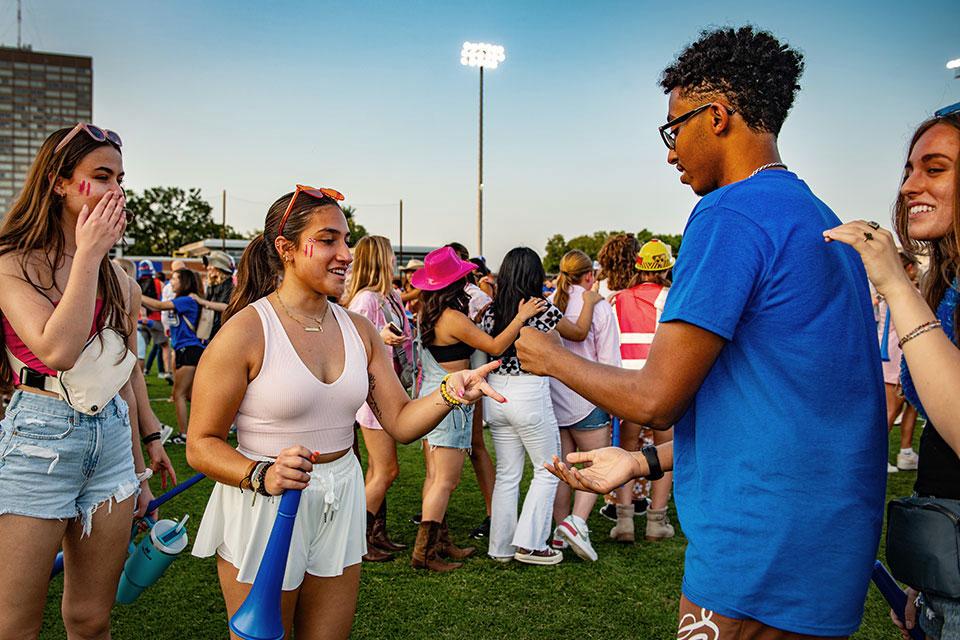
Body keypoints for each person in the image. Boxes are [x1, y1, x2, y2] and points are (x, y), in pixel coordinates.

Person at [518, 27, 885, 637]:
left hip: (754, 546)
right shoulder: (822, 220)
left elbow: (655, 397)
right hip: (826, 543)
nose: (669, 152)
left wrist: (550, 354)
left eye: (673, 129)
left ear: (716, 117)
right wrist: (642, 463)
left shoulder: (728, 214)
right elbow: (786, 406)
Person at [186, 185, 505, 639]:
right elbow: (200, 445)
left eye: (347, 239)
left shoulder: (360, 330)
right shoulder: (246, 332)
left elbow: (400, 421)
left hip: (342, 495)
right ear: (287, 249)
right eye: (329, 239)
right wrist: (261, 474)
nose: (346, 254)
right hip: (265, 503)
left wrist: (450, 392)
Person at [0, 123, 175, 639]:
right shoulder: (13, 263)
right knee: (14, 625)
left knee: (91, 618)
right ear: (58, 182)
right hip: (39, 439)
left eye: (120, 178)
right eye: (101, 176)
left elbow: (123, 374)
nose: (116, 190)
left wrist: (143, 459)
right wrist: (89, 255)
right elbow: (57, 349)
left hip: (112, 445)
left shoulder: (120, 280)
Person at [824, 104, 960, 640]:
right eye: (908, 169)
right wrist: (931, 585)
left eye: (935, 168)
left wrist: (896, 286)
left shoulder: (917, 291)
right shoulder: (948, 287)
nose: (909, 186)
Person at [410, 246, 550, 571]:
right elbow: (496, 346)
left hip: (433, 395)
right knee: (445, 480)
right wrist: (521, 316)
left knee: (434, 477)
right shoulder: (453, 317)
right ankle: (425, 552)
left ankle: (439, 542)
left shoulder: (430, 312)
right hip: (452, 401)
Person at [481, 246, 601, 565]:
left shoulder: (492, 311)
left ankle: (500, 547)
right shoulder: (541, 308)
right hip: (529, 392)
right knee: (548, 468)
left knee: (507, 474)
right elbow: (578, 332)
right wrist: (589, 302)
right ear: (535, 276)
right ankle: (532, 544)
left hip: (496, 394)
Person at [343, 235, 414, 562]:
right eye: (390, 256)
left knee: (377, 470)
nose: (395, 261)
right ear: (379, 259)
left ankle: (376, 534)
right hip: (374, 397)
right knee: (387, 470)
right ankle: (358, 537)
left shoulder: (390, 295)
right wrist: (380, 337)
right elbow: (351, 347)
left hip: (392, 390)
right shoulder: (366, 300)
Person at [548, 249, 620, 561]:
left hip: (556, 396)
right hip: (589, 397)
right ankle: (577, 522)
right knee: (594, 465)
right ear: (589, 275)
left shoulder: (552, 304)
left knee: (564, 468)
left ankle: (560, 530)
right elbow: (608, 360)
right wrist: (615, 399)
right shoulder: (599, 308)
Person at [607, 239, 677, 543]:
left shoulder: (617, 299)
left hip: (627, 383)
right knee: (665, 450)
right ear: (666, 267)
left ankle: (624, 521)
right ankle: (656, 521)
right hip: (663, 381)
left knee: (628, 449)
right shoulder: (673, 296)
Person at [141, 268, 205, 444]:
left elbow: (159, 306)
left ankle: (185, 435)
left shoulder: (187, 300)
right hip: (184, 349)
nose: (171, 282)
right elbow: (157, 306)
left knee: (179, 395)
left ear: (184, 281)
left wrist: (135, 292)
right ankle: (200, 431)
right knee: (190, 395)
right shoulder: (181, 299)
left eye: (175, 279)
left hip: (189, 349)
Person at [875, 252, 921, 473]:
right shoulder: (901, 292)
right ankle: (877, 457)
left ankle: (906, 452)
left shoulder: (893, 291)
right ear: (910, 268)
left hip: (905, 352)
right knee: (891, 409)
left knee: (912, 404)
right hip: (896, 353)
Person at [191, 250, 235, 341]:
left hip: (221, 329)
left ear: (220, 268)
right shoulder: (212, 285)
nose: (208, 268)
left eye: (211, 264)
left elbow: (225, 306)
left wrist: (201, 301)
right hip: (210, 328)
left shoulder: (228, 285)